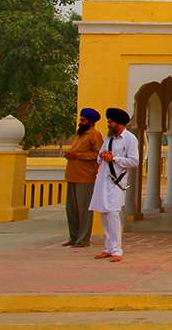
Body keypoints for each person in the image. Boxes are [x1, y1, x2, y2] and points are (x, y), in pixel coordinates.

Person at [89, 108, 139, 263]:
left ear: (119, 123)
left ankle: (117, 250)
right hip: (103, 180)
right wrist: (102, 156)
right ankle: (108, 248)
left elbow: (134, 161)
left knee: (113, 214)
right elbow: (100, 158)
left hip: (117, 182)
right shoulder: (109, 139)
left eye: (111, 121)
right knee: (104, 213)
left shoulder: (130, 139)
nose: (108, 124)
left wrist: (115, 159)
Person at [62, 108, 104, 248]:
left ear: (91, 122)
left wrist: (77, 156)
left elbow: (99, 155)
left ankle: (83, 240)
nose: (80, 122)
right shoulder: (80, 135)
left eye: (83, 120)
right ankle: (73, 237)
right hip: (72, 176)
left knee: (84, 209)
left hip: (85, 177)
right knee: (71, 209)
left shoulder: (95, 135)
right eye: (80, 119)